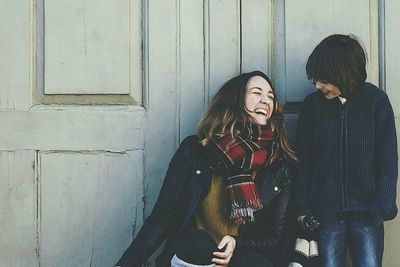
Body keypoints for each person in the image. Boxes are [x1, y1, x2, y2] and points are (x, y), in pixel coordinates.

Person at [116, 71, 297, 267]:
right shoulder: (195, 151)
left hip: (239, 257)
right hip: (194, 254)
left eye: (270, 96)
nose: (266, 100)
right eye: (257, 92)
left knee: (256, 263)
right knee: (198, 242)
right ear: (235, 100)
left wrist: (237, 243)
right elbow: (163, 216)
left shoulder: (278, 167)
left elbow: (275, 237)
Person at [295, 34, 398, 267]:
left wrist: (383, 203)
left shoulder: (376, 102)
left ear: (344, 74)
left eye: (323, 79)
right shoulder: (313, 106)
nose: (317, 85)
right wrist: (302, 209)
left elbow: (388, 159)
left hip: (367, 212)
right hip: (326, 214)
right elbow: (304, 162)